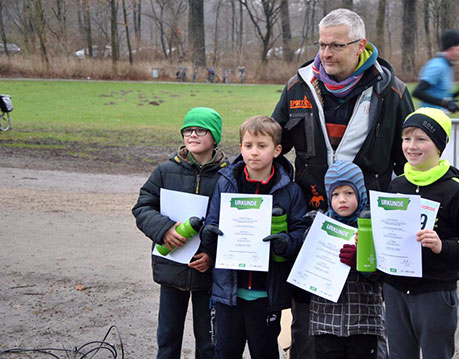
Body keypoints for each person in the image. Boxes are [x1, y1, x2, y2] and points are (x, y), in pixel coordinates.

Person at [271, 8, 413, 358]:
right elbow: (272, 145)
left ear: (360, 45)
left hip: (366, 224)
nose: (326, 54)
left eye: (335, 45)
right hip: (311, 220)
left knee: (367, 315)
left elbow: (407, 160)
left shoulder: (391, 92)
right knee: (307, 316)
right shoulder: (298, 86)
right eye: (321, 45)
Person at [384, 107, 459, 359]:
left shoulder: (456, 190)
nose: (412, 146)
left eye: (422, 139)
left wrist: (442, 246)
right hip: (395, 290)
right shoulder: (396, 184)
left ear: (439, 145)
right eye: (406, 138)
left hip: (434, 292)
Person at [200, 115, 308, 359]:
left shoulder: (289, 190)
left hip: (266, 294)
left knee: (264, 352)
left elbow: (301, 230)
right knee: (225, 353)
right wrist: (208, 234)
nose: (254, 152)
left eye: (262, 146)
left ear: (277, 150)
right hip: (229, 292)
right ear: (240, 148)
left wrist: (286, 243)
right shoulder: (226, 183)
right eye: (248, 146)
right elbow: (212, 221)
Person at [132, 107, 228, 359]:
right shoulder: (165, 171)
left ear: (215, 136)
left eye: (200, 130)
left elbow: (232, 224)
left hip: (207, 275)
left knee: (208, 344)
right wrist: (164, 230)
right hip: (171, 269)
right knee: (167, 339)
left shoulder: (228, 176)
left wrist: (211, 254)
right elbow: (143, 207)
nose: (192, 134)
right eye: (187, 130)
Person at [309, 161, 385, 359]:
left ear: (360, 193)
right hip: (325, 322)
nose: (342, 200)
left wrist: (361, 262)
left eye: (349, 193)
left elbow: (382, 277)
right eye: (335, 194)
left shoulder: (372, 228)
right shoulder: (317, 228)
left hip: (364, 323)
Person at [412, 29, 459, 113]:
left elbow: (441, 96)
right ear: (452, 47)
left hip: (438, 118)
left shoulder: (447, 66)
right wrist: (445, 104)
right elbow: (417, 92)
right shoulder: (438, 66)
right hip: (428, 119)